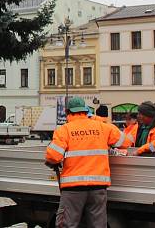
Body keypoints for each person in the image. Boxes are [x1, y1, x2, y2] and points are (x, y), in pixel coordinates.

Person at [45, 97, 125, 228]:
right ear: (85, 111)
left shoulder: (64, 130)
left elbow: (53, 156)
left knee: (67, 224)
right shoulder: (102, 127)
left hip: (73, 188)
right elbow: (124, 141)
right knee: (98, 225)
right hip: (98, 187)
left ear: (67, 112)